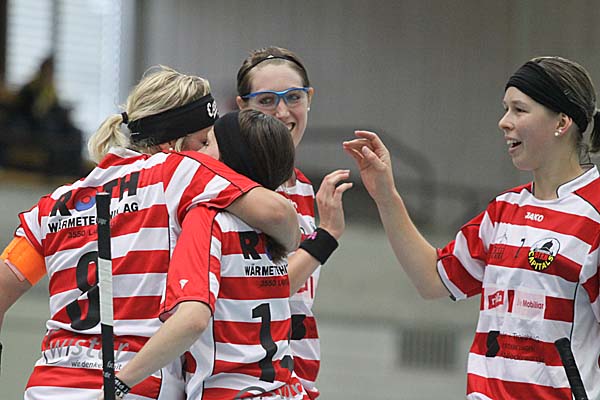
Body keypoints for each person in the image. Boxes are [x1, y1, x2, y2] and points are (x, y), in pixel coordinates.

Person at [0, 65, 300, 399]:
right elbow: (278, 214)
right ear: (173, 142)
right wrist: (293, 242)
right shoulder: (180, 172)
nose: (209, 154)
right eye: (204, 141)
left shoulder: (54, 204)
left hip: (48, 386)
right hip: (134, 385)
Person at [343, 56, 600, 399]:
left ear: (562, 122)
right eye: (505, 109)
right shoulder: (503, 211)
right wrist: (386, 196)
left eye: (519, 110)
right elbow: (432, 279)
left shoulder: (594, 217)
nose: (504, 122)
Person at [101, 109, 312, 400]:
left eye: (207, 143)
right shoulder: (274, 231)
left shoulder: (208, 219)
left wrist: (118, 384)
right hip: (288, 391)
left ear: (230, 158)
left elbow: (192, 320)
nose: (199, 153)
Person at [236, 47, 352, 398]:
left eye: (293, 97)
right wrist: (327, 235)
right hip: (251, 379)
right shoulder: (236, 186)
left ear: (309, 98)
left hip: (296, 374)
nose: (283, 112)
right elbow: (269, 285)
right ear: (242, 106)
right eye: (267, 100)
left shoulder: (301, 185)